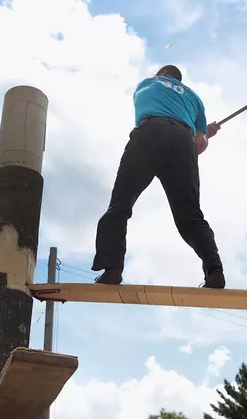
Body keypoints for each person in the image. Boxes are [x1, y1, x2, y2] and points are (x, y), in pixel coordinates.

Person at [91, 65, 225, 288]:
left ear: (160, 74)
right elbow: (199, 145)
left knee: (120, 206)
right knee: (190, 215)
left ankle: (112, 269)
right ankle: (215, 270)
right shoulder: (194, 98)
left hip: (150, 133)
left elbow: (159, 108)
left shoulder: (146, 84)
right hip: (184, 140)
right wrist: (205, 133)